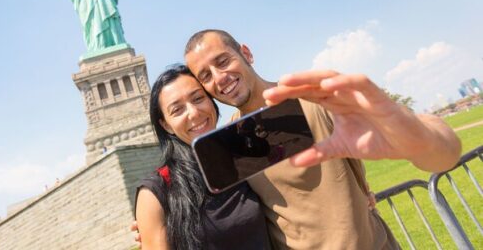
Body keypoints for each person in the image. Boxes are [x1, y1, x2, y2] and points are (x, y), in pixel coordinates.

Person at [181, 29, 461, 249]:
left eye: (223, 61)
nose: (219, 77)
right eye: (205, 75)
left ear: (246, 53)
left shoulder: (313, 98)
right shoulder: (231, 141)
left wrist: (417, 138)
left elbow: (446, 154)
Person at [134, 65, 271, 250]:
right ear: (166, 125)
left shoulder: (247, 152)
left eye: (198, 98)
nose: (194, 112)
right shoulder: (156, 192)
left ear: (212, 101)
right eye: (177, 110)